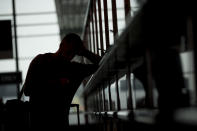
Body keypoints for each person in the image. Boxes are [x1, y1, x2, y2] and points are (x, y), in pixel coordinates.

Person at [22, 33, 101, 130]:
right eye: (69, 52)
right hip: (59, 123)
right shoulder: (73, 69)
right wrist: (85, 52)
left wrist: (84, 52)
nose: (69, 56)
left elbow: (28, 90)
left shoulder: (40, 60)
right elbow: (100, 64)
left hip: (38, 122)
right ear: (61, 45)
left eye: (73, 53)